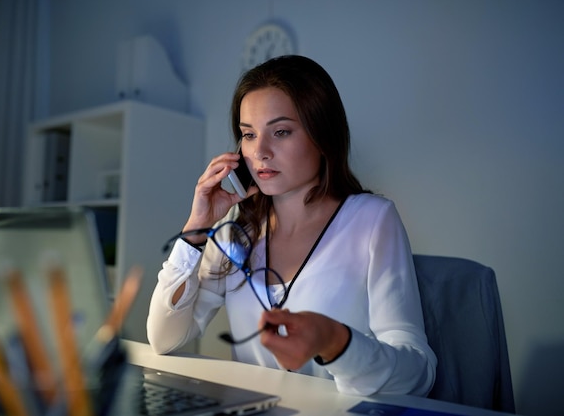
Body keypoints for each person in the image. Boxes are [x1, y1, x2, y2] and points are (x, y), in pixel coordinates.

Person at [147, 55, 437, 396]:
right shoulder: (235, 231)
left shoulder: (373, 219)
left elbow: (418, 373)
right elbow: (164, 339)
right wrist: (196, 229)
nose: (260, 153)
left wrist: (335, 343)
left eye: (281, 132)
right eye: (249, 135)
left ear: (322, 134)